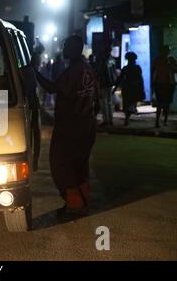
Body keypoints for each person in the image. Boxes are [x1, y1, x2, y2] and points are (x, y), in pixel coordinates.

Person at [34, 35, 99, 217]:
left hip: (70, 126)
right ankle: (83, 200)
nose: (63, 49)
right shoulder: (88, 70)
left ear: (74, 49)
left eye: (66, 46)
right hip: (87, 125)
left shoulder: (73, 72)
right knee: (80, 164)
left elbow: (53, 88)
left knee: (62, 165)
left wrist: (34, 72)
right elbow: (97, 101)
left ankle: (75, 203)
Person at [113, 52, 145, 126]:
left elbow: (119, 79)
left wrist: (115, 88)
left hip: (127, 88)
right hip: (134, 88)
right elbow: (140, 79)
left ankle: (127, 118)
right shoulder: (137, 68)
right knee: (131, 103)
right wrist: (141, 89)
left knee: (127, 104)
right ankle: (127, 117)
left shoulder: (125, 68)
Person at [152, 46, 177, 127]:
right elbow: (153, 71)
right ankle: (158, 121)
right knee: (160, 103)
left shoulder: (171, 60)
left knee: (166, 103)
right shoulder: (157, 60)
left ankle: (164, 121)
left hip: (168, 84)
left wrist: (170, 65)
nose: (166, 52)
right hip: (160, 84)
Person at [96, 46, 118, 126]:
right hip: (111, 82)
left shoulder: (103, 60)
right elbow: (114, 71)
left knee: (104, 102)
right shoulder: (112, 60)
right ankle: (110, 119)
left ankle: (106, 120)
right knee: (109, 102)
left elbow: (100, 72)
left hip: (104, 82)